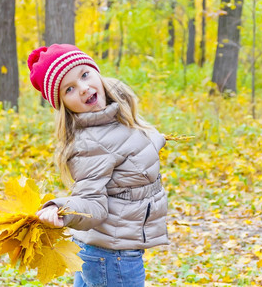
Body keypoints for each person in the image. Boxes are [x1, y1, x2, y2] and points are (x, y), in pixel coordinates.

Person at [28, 44, 168, 287]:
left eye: (84, 74)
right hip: (112, 256)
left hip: (105, 249)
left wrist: (155, 139)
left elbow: (124, 145)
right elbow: (92, 201)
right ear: (63, 106)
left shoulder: (114, 113)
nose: (83, 88)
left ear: (96, 71)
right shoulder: (90, 142)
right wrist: (62, 209)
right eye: (69, 89)